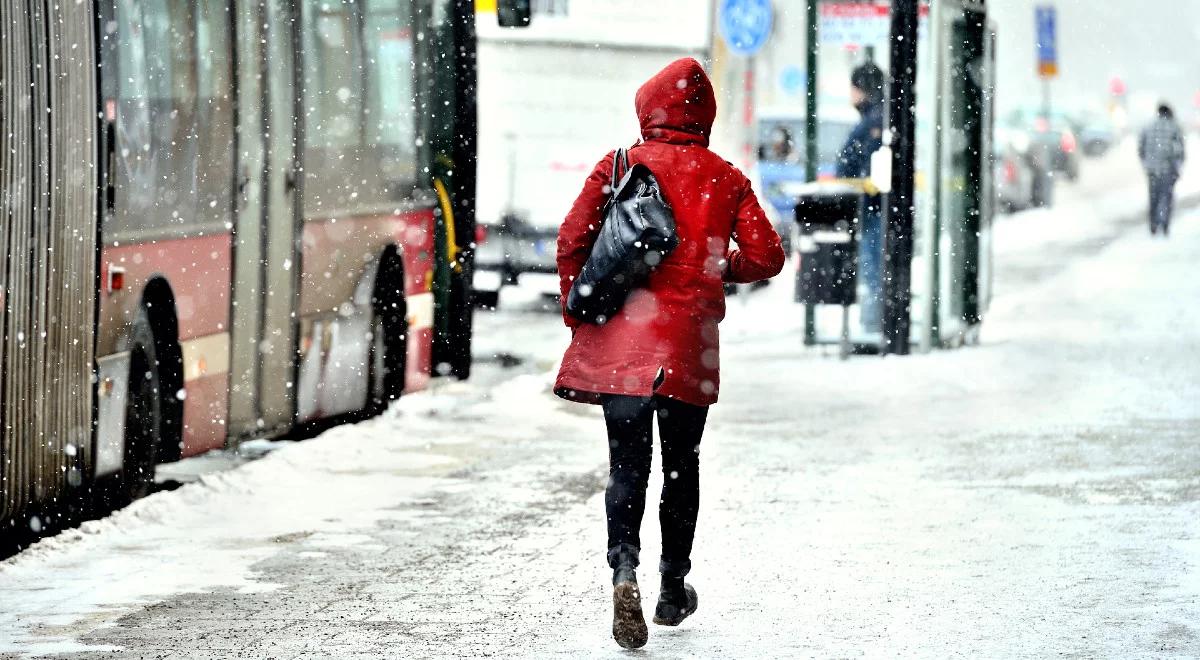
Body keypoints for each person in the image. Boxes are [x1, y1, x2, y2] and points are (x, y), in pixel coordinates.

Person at [555, 58, 785, 649]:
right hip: (688, 347)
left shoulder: (620, 166)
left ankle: (623, 569)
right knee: (681, 465)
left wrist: (577, 304)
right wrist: (716, 265)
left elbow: (572, 239)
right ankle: (672, 586)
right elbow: (766, 256)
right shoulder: (725, 177)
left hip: (622, 348)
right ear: (705, 116)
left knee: (626, 465)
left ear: (646, 108)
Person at [836, 61, 886, 333]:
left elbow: (857, 164)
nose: (850, 95)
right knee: (873, 266)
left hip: (872, 206)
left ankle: (872, 326)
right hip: (874, 206)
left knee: (873, 268)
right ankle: (873, 323)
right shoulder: (878, 117)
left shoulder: (873, 122)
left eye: (853, 88)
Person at [1138, 103, 1186, 236]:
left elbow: (1141, 148)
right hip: (1167, 169)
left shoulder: (1148, 126)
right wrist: (1178, 166)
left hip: (1152, 170)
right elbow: (1179, 151)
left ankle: (1153, 225)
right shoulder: (1174, 127)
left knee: (1153, 198)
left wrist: (1147, 163)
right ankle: (1164, 225)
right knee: (1166, 199)